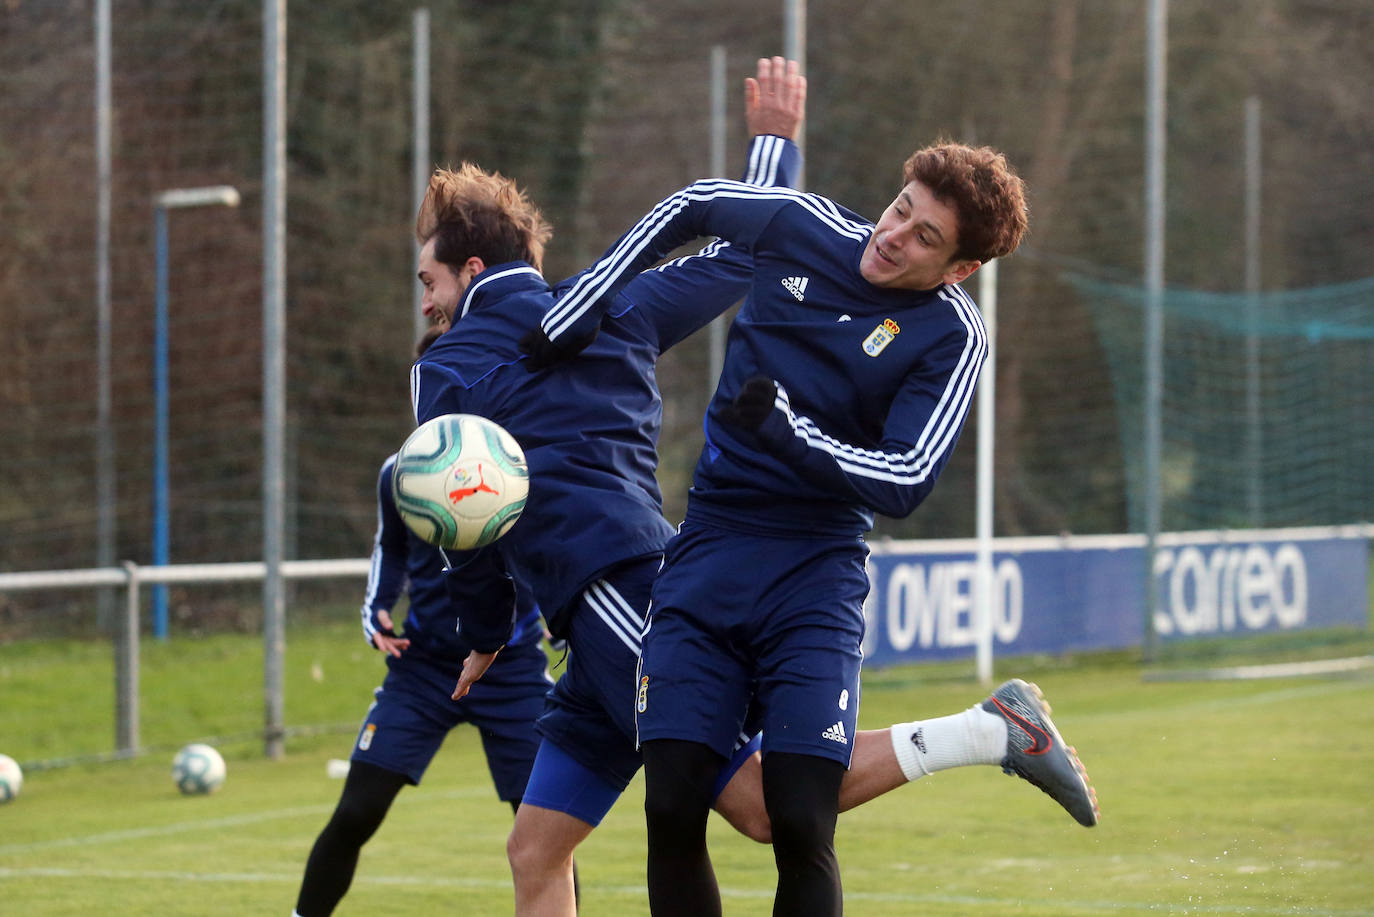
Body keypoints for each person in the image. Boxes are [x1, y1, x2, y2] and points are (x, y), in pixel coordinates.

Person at [412, 58, 1095, 917]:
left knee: (770, 808)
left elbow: (461, 526)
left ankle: (988, 730)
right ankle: (989, 730)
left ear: (471, 270)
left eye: (430, 282)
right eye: (899, 212)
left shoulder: (444, 378)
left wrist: (480, 623)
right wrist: (768, 150)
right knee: (539, 844)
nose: (893, 235)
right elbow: (734, 250)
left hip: (627, 589)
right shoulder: (619, 308)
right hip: (634, 587)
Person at [290, 327, 563, 917]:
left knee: (547, 835)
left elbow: (546, 548)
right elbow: (391, 549)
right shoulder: (400, 473)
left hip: (511, 669)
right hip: (424, 668)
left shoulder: (514, 466)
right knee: (356, 812)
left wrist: (554, 612)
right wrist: (377, 609)